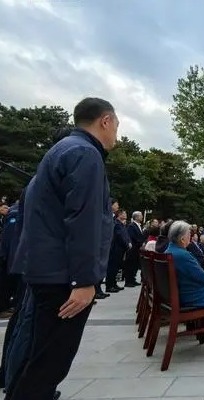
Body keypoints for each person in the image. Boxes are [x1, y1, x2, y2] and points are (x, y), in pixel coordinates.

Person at [6, 97, 118, 400]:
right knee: (50, 362)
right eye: (116, 127)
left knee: (36, 355)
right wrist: (84, 281)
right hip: (63, 277)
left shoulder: (60, 150)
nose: (116, 137)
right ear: (105, 121)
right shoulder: (85, 154)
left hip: (45, 270)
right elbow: (83, 221)